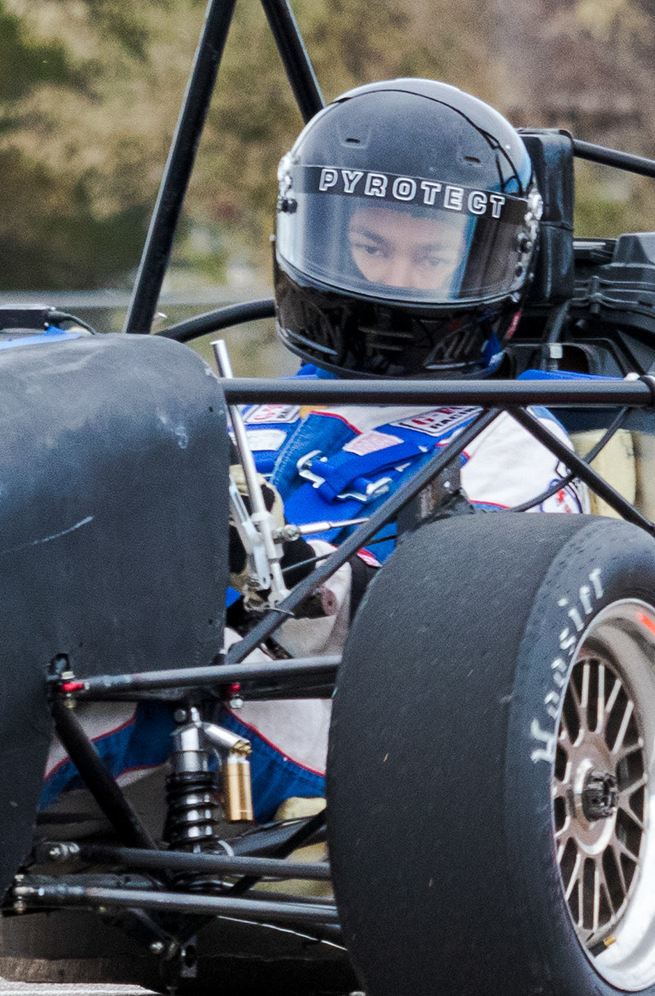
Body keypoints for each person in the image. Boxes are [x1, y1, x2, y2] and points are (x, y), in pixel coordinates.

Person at [53, 78, 585, 826]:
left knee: (81, 718)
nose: (393, 281)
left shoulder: (513, 433)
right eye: (370, 248)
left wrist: (301, 586)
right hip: (175, 662)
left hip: (361, 715)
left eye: (427, 256)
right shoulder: (249, 400)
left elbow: (490, 626)